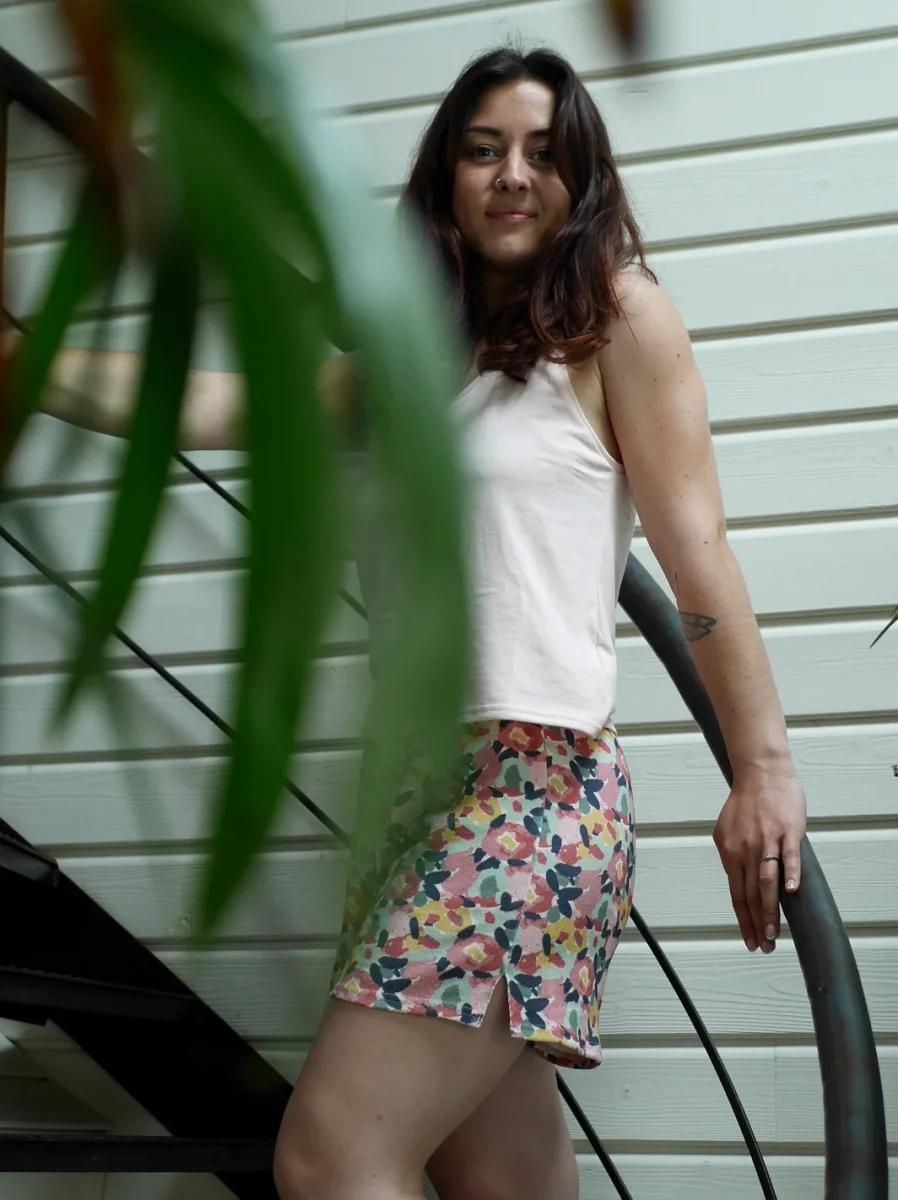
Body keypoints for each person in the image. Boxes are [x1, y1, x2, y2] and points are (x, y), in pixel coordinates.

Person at [34, 45, 807, 1200]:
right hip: (410, 798)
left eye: (543, 152)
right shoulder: (407, 373)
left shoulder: (617, 323)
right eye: (482, 150)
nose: (512, 175)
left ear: (580, 177)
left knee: (331, 1156)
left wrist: (762, 770)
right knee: (501, 1181)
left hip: (530, 791)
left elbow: (698, 551)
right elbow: (216, 402)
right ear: (445, 177)